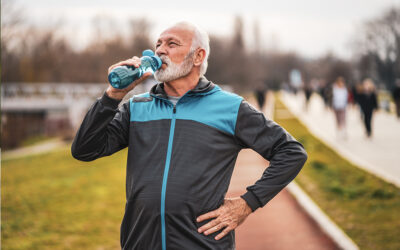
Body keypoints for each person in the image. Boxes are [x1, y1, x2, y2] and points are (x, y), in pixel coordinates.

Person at [71, 22, 307, 250]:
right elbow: (84, 149)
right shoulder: (136, 107)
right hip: (140, 243)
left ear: (198, 56)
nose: (161, 50)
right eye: (158, 44)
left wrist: (248, 203)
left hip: (202, 243)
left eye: (172, 44)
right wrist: (113, 95)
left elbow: (291, 152)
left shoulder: (230, 107)